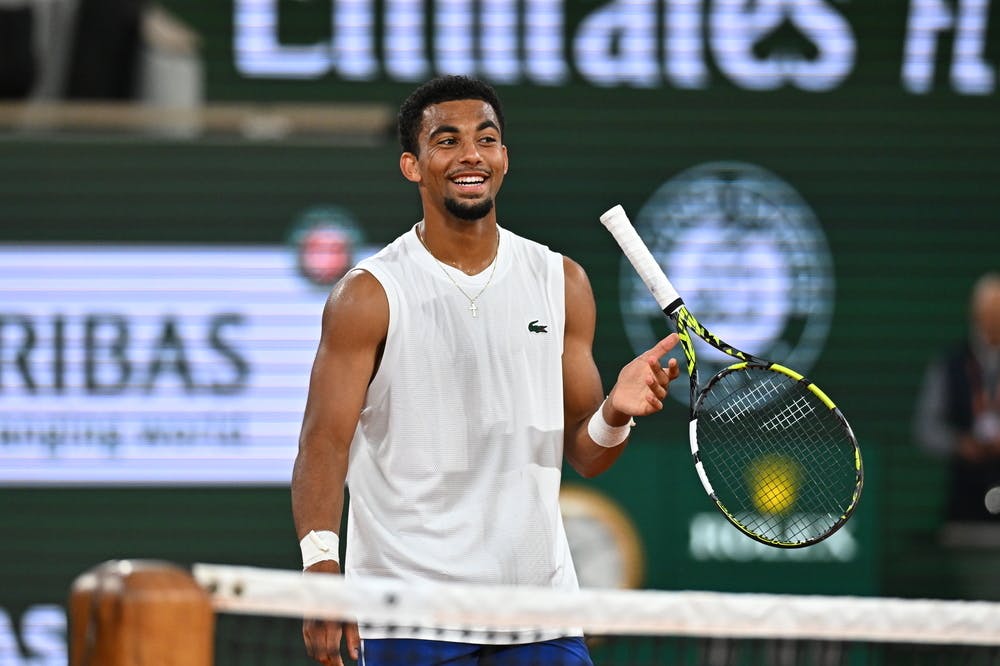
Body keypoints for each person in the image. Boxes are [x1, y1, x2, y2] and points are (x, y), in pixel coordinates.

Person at [291, 75, 680, 666]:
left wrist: (615, 415)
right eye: (446, 141)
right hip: (409, 614)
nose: (471, 154)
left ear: (503, 159)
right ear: (412, 166)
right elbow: (323, 442)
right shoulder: (368, 296)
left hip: (539, 613)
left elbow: (587, 453)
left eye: (486, 139)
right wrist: (321, 568)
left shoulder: (563, 282)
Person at [915, 272, 1000, 521]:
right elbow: (926, 428)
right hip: (966, 499)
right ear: (975, 315)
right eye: (990, 312)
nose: (995, 319)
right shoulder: (951, 363)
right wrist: (960, 444)